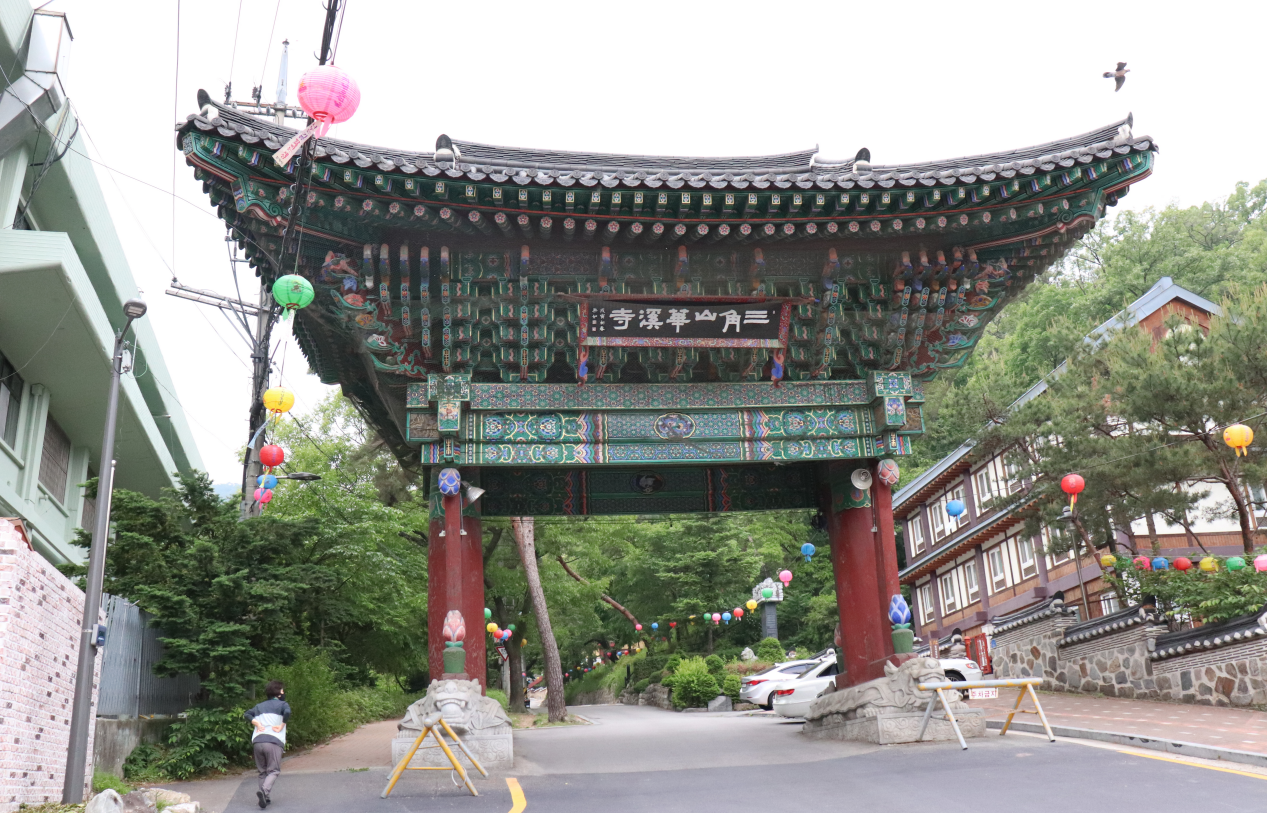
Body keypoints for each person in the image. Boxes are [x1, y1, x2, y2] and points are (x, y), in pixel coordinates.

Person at [244, 680, 291, 809]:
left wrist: (257, 724)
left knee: (262, 771)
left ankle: (265, 797)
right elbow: (287, 713)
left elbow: (247, 714)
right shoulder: (283, 704)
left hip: (258, 741)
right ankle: (264, 792)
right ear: (278, 692)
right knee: (274, 770)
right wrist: (282, 725)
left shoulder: (259, 706)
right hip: (273, 741)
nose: (283, 692)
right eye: (282, 690)